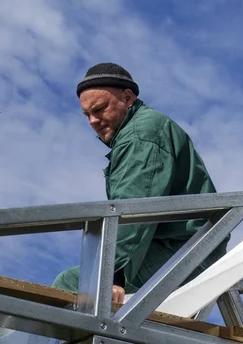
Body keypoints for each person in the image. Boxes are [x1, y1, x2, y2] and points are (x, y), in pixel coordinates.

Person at [52, 63, 227, 303]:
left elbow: (133, 210)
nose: (93, 121)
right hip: (177, 245)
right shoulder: (139, 131)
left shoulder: (140, 135)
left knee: (70, 285)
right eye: (87, 115)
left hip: (185, 249)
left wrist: (112, 275)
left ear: (128, 97)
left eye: (100, 109)